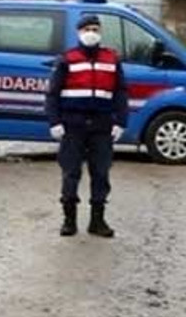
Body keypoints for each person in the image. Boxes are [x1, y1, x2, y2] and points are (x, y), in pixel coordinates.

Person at [45, 14, 129, 238]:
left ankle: (97, 221)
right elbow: (52, 94)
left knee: (101, 173)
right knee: (71, 172)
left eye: (95, 29)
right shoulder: (67, 59)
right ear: (79, 32)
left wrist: (121, 121)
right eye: (87, 29)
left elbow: (120, 92)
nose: (91, 33)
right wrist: (55, 121)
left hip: (102, 125)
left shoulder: (111, 59)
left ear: (100, 32)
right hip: (73, 125)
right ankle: (69, 220)